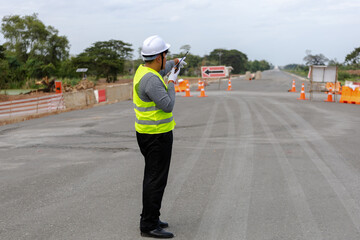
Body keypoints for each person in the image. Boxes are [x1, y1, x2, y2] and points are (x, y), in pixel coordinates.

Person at [133, 35, 186, 238]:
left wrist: (175, 62)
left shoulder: (143, 70)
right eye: (166, 55)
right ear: (158, 58)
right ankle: (148, 224)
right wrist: (172, 81)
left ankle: (152, 216)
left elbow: (162, 69)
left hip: (147, 134)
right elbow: (168, 104)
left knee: (153, 177)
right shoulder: (152, 80)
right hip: (156, 136)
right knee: (155, 180)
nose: (167, 58)